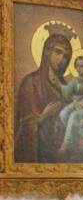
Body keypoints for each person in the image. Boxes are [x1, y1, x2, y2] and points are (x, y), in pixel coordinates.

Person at [14, 23, 74, 163]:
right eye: (58, 52)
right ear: (47, 52)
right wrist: (44, 116)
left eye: (66, 56)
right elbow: (24, 126)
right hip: (40, 153)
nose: (61, 59)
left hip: (62, 153)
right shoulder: (31, 82)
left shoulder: (65, 86)